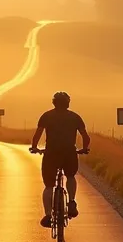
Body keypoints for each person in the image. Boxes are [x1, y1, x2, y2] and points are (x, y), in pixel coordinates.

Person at [28, 91, 90, 227]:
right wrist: (85, 149)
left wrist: (34, 147)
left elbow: (37, 135)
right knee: (71, 176)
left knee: (49, 185)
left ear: (54, 103)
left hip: (51, 154)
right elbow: (86, 137)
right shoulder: (75, 117)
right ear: (68, 103)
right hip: (69, 153)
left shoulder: (46, 116)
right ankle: (72, 201)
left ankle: (48, 215)